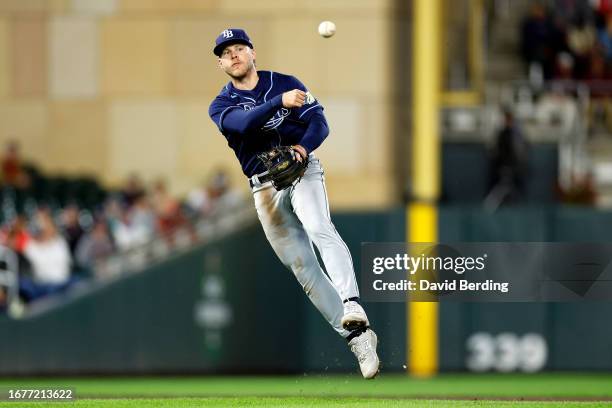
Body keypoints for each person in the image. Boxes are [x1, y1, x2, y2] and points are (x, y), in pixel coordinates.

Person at [208, 28, 379, 379]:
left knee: (319, 226)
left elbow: (320, 122)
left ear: (253, 53)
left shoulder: (285, 82)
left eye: (240, 48)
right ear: (222, 64)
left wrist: (302, 148)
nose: (235, 55)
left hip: (301, 169)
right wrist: (278, 103)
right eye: (227, 53)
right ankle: (359, 338)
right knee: (304, 269)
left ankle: (352, 304)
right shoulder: (221, 105)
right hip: (263, 189)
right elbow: (243, 123)